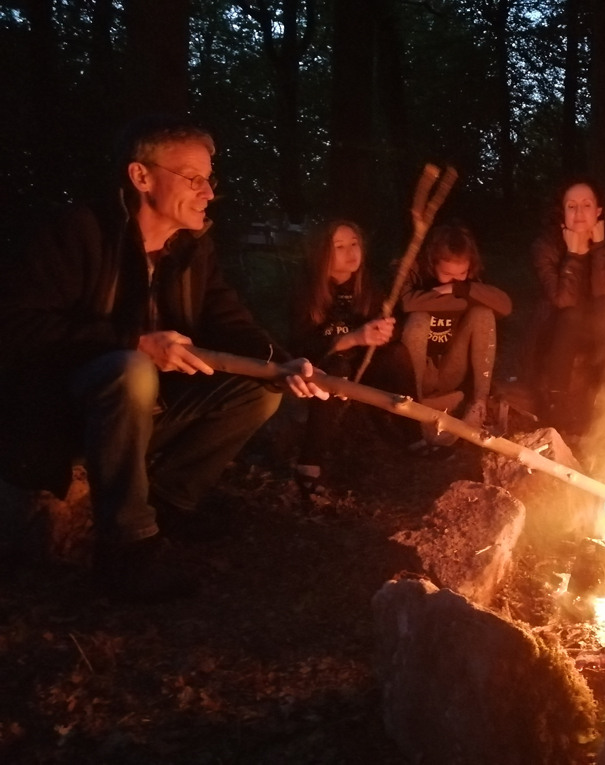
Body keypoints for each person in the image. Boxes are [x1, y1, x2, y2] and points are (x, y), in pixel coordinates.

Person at [0, 115, 327, 602]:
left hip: (152, 411)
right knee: (130, 369)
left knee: (259, 390)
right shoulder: (78, 233)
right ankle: (125, 552)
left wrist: (283, 363)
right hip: (64, 416)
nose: (209, 193)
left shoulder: (191, 250)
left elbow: (231, 321)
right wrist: (134, 342)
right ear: (141, 176)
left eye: (209, 180)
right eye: (194, 179)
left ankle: (170, 499)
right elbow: (16, 326)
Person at [289, 219, 417, 493]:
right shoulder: (306, 290)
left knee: (397, 353)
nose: (351, 252)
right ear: (322, 252)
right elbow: (301, 343)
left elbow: (390, 327)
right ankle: (309, 461)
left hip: (363, 365)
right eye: (340, 246)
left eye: (354, 244)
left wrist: (386, 332)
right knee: (334, 367)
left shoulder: (368, 285)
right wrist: (351, 339)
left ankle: (414, 434)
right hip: (324, 364)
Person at [400, 223, 511, 437]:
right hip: (418, 373)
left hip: (450, 368)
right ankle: (417, 407)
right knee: (419, 318)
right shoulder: (415, 273)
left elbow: (505, 305)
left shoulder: (467, 283)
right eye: (447, 274)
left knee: (483, 314)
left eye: (461, 273)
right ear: (433, 264)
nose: (455, 280)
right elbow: (407, 304)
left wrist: (459, 289)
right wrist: (463, 299)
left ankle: (479, 403)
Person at [530, 179, 605, 431]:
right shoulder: (546, 247)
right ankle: (556, 405)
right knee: (571, 315)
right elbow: (563, 301)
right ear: (562, 212)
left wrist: (599, 248)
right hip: (554, 334)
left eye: (586, 205)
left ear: (598, 212)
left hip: (594, 333)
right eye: (571, 206)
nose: (579, 213)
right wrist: (574, 255)